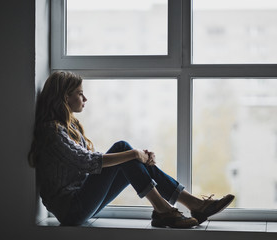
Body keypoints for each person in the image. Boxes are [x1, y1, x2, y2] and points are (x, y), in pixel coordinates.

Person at [28, 71, 234, 228]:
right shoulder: (51, 131)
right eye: (80, 94)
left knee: (127, 155)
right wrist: (134, 154)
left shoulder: (68, 127)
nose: (85, 99)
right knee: (124, 150)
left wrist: (139, 159)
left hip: (81, 201)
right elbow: (88, 162)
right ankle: (164, 209)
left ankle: (192, 204)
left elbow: (94, 162)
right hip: (72, 210)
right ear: (65, 97)